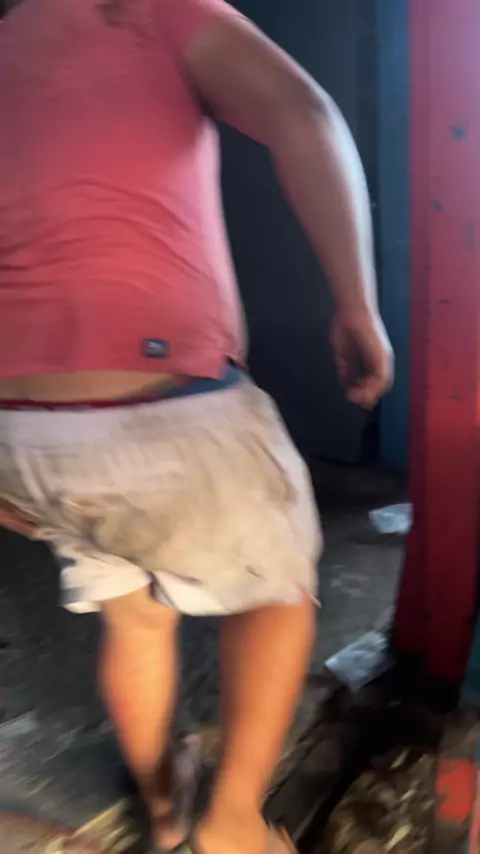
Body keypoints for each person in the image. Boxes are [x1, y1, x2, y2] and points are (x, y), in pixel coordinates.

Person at [0, 0, 393, 852]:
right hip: (164, 406)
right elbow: (303, 112)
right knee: (277, 594)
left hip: (21, 437)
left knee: (136, 617)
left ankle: (164, 798)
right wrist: (357, 304)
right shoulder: (151, 8)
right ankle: (232, 822)